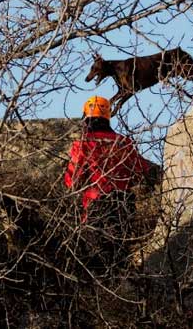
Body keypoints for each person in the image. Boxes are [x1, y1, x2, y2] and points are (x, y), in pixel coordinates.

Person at [64, 96, 152, 267]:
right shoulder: (123, 142)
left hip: (96, 205)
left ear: (85, 117)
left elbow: (72, 180)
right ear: (108, 117)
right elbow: (142, 171)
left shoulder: (83, 143)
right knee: (119, 253)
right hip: (123, 203)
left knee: (96, 256)